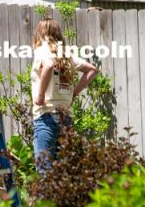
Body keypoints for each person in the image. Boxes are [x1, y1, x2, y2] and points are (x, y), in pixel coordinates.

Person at [31, 18, 97, 173]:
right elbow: (92, 69)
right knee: (62, 171)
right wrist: (74, 93)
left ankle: (45, 199)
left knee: (44, 170)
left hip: (46, 115)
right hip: (66, 117)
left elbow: (48, 65)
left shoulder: (42, 50)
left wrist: (40, 96)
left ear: (40, 34)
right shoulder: (66, 54)